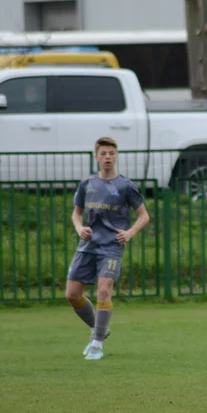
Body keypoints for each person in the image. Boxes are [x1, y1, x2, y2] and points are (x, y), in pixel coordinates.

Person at [64, 137, 150, 360]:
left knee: (104, 289)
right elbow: (76, 213)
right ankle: (100, 329)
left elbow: (144, 216)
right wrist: (79, 227)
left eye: (111, 153)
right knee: (72, 295)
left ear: (117, 156)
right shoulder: (87, 184)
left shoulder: (125, 186)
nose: (108, 157)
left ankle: (97, 344)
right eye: (103, 153)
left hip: (111, 247)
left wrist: (129, 233)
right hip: (88, 246)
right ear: (97, 157)